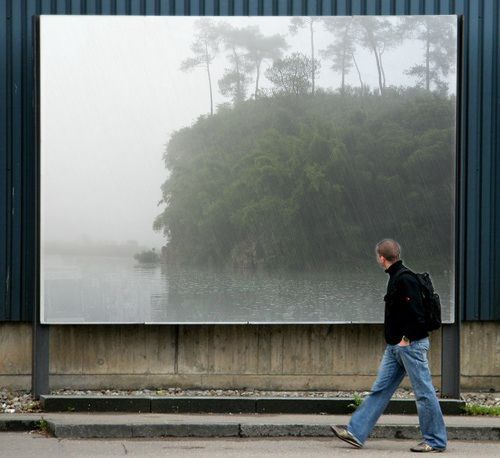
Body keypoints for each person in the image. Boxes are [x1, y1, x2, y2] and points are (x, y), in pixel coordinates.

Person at [331, 239, 447, 453]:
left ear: (381, 258)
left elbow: (417, 315)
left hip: (409, 346)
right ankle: (356, 433)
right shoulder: (397, 277)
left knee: (424, 393)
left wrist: (406, 338)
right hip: (396, 348)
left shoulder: (404, 279)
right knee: (380, 389)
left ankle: (436, 440)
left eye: (378, 256)